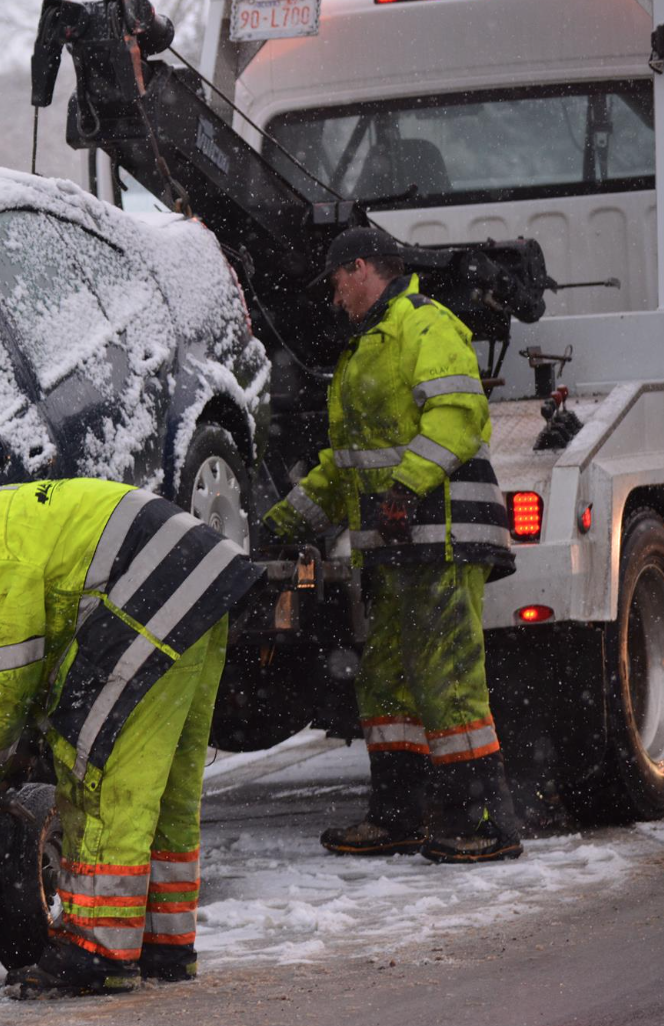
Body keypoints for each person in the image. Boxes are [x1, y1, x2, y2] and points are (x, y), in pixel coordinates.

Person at [0, 478, 261, 998]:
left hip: (151, 588)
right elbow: (39, 650)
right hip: (196, 579)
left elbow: (4, 683)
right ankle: (164, 944)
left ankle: (97, 953)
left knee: (100, 771)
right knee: (163, 786)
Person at [263, 226, 522, 864]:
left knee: (447, 678)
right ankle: (399, 816)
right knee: (387, 682)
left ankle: (486, 821)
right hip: (395, 545)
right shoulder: (365, 346)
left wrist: (405, 490)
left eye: (335, 281)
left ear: (361, 268)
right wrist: (285, 519)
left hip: (443, 536)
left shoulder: (424, 326)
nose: (332, 297)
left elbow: (457, 418)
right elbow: (348, 463)